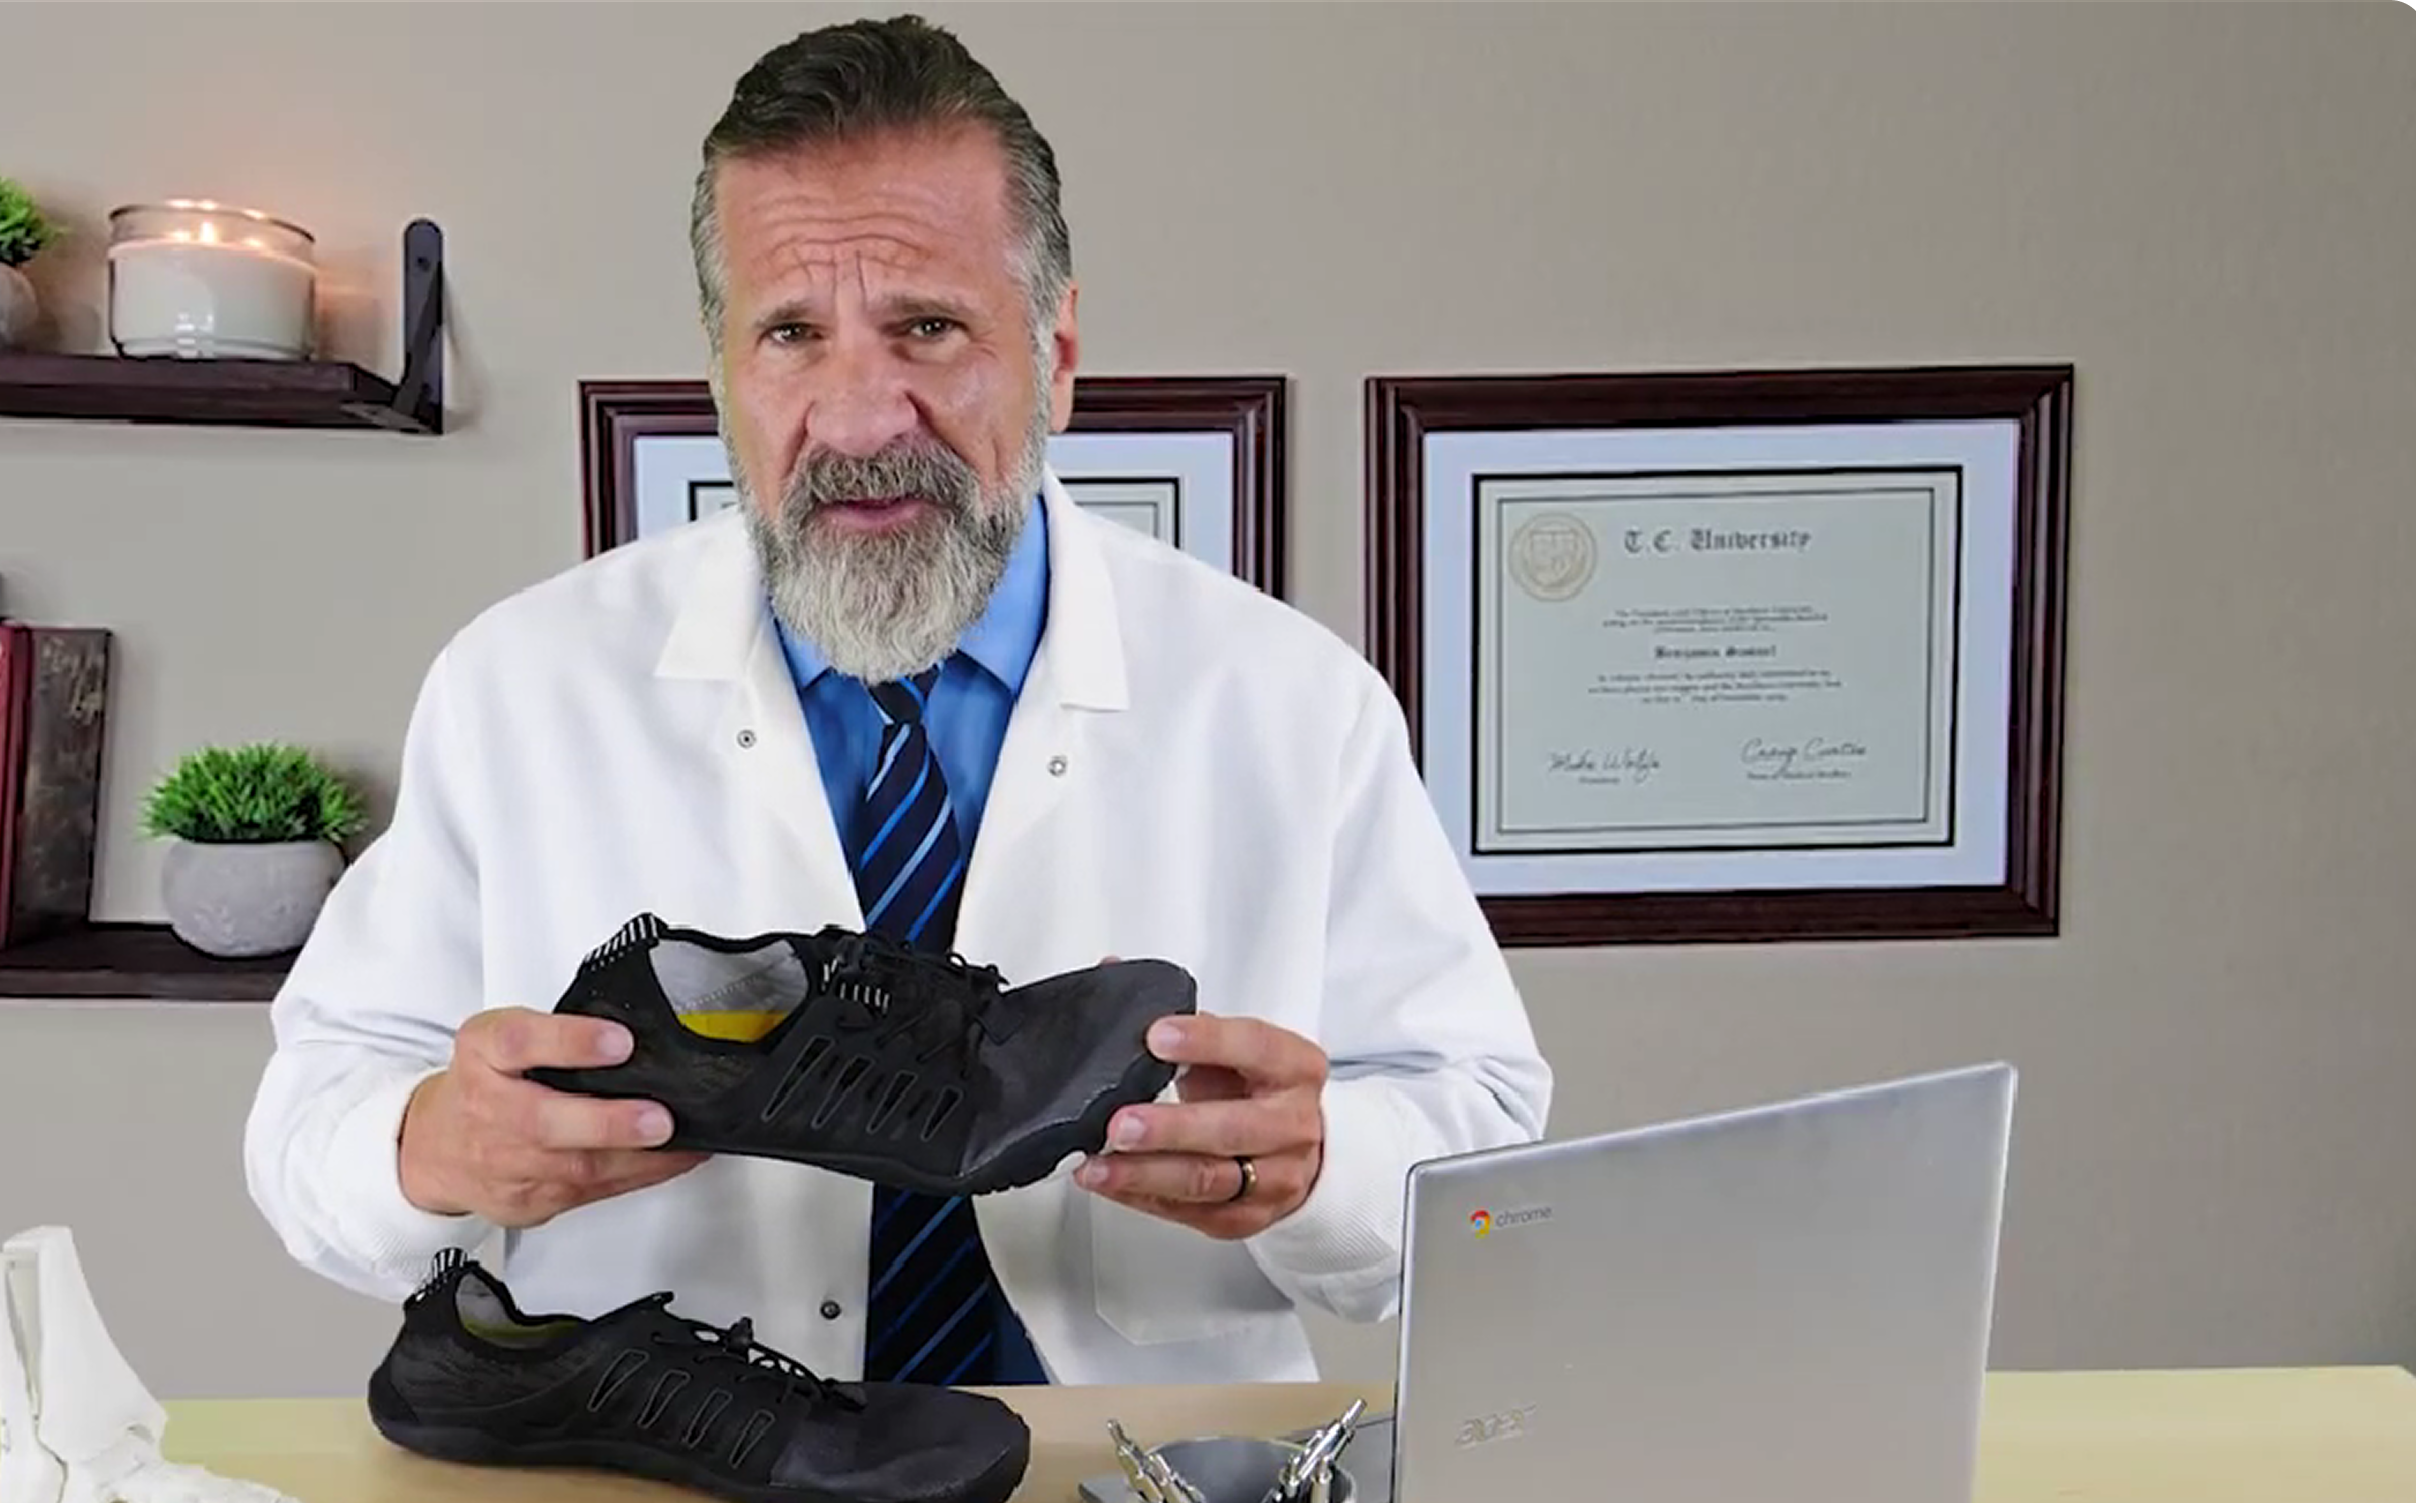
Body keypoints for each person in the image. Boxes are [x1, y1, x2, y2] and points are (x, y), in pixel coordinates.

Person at [243, 13, 1549, 1387]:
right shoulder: (520, 688)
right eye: (793, 334)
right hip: (657, 1494)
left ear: (1055, 352)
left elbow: (1484, 1138)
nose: (861, 421)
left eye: (927, 327)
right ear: (722, 373)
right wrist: (430, 1143)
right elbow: (306, 1115)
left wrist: (1327, 1162)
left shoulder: (1294, 704)